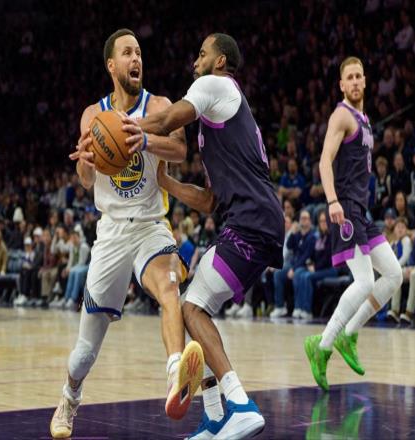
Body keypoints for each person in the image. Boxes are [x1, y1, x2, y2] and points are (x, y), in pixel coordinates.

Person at [123, 33, 284, 439]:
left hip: (251, 221)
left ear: (220, 61)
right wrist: (169, 184)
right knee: (194, 308)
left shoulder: (214, 85)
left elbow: (166, 120)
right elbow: (210, 200)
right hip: (252, 221)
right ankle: (213, 416)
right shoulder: (220, 119)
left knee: (192, 308)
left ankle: (241, 404)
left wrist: (128, 130)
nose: (195, 62)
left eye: (201, 54)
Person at [50, 29, 204, 439]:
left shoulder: (159, 105)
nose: (136, 59)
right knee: (84, 353)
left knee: (169, 289)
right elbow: (85, 180)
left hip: (151, 225)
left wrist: (144, 139)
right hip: (112, 233)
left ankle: (176, 375)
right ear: (111, 65)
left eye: (139, 53)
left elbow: (180, 151)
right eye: (127, 53)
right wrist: (86, 159)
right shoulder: (93, 115)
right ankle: (69, 397)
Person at [303, 57, 403, 391]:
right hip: (344, 208)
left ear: (365, 80)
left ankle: (348, 333)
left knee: (394, 274)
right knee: (364, 281)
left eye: (360, 76)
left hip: (362, 211)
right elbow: (324, 161)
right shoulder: (341, 115)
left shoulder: (365, 119)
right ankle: (322, 345)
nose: (356, 81)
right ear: (342, 85)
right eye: (350, 77)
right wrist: (332, 201)